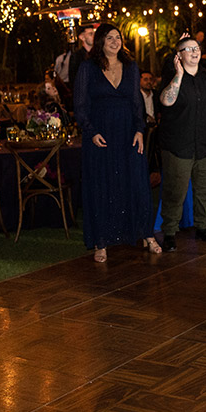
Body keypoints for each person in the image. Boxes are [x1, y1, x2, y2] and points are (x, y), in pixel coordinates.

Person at [73, 23, 155, 262]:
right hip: (100, 134)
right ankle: (101, 241)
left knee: (137, 181)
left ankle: (146, 234)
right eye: (109, 38)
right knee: (102, 184)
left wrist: (140, 130)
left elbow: (136, 102)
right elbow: (79, 105)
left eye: (117, 37)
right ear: (100, 41)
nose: (114, 41)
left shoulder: (131, 67)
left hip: (128, 132)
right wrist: (90, 131)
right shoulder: (88, 68)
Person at [159, 37, 206, 250]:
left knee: (205, 190)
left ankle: (203, 227)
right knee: (175, 190)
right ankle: (170, 232)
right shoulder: (171, 75)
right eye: (187, 49)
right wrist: (179, 75)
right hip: (178, 144)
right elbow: (166, 100)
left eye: (196, 48)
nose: (194, 52)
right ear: (179, 55)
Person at [68, 22, 98, 97]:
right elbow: (73, 80)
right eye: (90, 34)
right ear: (82, 37)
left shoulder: (98, 54)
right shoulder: (77, 56)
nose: (94, 37)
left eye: (94, 34)